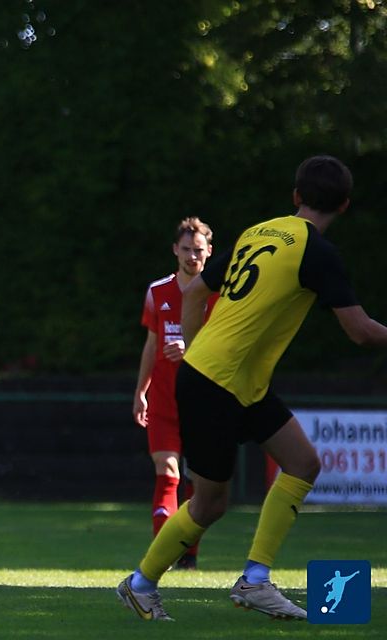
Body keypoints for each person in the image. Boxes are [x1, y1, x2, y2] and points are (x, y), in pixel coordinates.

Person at [117, 155, 387, 621]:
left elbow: (195, 290)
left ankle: (255, 580)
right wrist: (202, 356)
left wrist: (195, 346)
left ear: (296, 196)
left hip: (236, 381)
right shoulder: (318, 252)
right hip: (217, 383)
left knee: (304, 463)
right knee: (210, 502)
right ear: (344, 205)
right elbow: (360, 332)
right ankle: (140, 584)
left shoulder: (260, 231)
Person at [133, 217, 215, 570]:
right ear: (175, 251)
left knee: (198, 481)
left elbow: (226, 346)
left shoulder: (220, 295)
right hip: (165, 402)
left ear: (209, 252)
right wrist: (141, 391)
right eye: (186, 249)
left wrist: (191, 347)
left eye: (198, 250)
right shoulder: (158, 292)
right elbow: (152, 344)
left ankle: (189, 554)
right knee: (168, 472)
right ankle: (161, 555)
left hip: (202, 402)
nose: (192, 256)